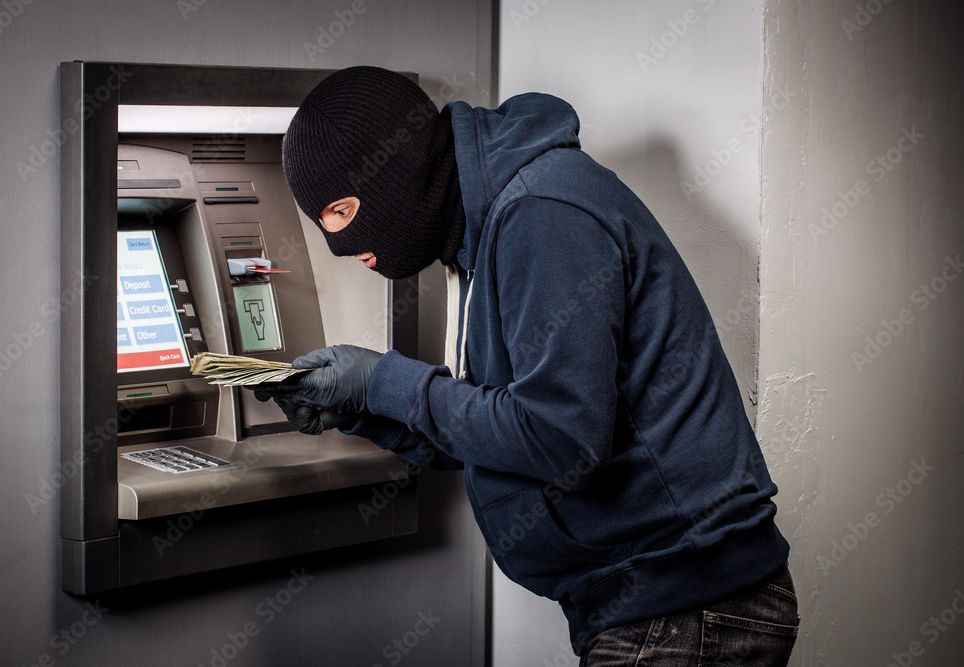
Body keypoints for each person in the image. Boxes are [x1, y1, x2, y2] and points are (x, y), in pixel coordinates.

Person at [261, 65, 799, 665]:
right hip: (658, 605)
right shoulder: (483, 229)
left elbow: (561, 439)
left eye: (339, 211)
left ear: (394, 173)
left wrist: (384, 380)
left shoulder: (540, 214)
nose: (337, 244)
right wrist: (361, 406)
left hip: (688, 605)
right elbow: (502, 432)